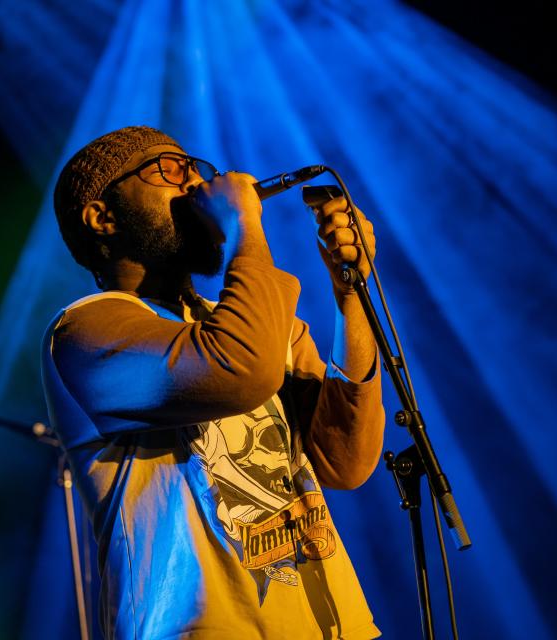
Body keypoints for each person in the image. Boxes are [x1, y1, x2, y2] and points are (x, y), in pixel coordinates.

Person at [40, 125, 385, 639]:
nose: (194, 184)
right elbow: (240, 367)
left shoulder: (256, 323)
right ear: (102, 216)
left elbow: (345, 460)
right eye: (167, 170)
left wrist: (348, 293)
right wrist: (243, 221)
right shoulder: (85, 331)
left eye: (192, 167)